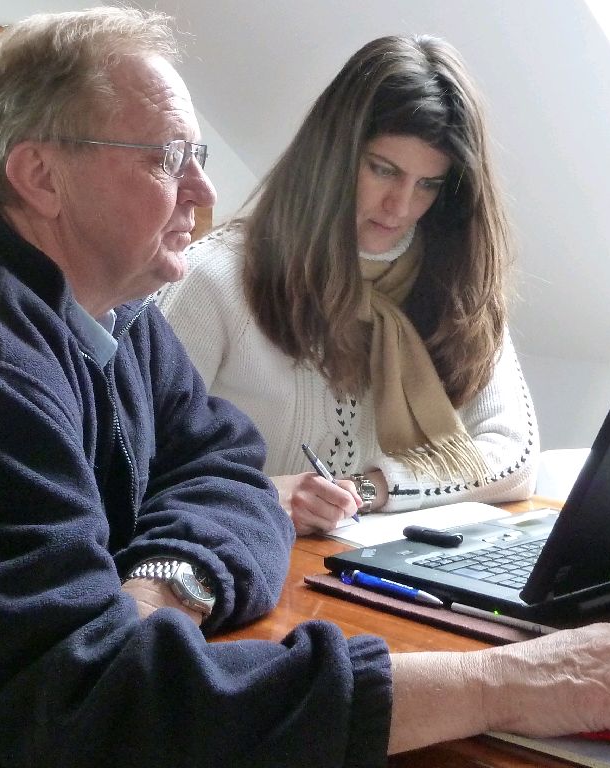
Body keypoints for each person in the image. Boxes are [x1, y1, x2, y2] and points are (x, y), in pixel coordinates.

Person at [0, 8, 610, 767]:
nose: (202, 192)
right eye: (167, 158)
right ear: (40, 175)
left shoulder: (103, 302)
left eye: (198, 155)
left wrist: (169, 580)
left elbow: (223, 467)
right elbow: (97, 709)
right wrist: (500, 683)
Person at [157, 35, 539, 535]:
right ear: (333, 157)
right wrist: (268, 495)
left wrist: (371, 488)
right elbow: (137, 467)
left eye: (428, 184)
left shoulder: (457, 281)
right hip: (238, 552)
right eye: (383, 170)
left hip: (375, 561)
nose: (400, 206)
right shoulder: (213, 277)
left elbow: (514, 459)